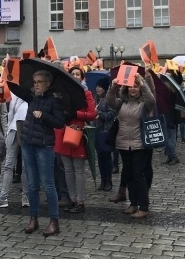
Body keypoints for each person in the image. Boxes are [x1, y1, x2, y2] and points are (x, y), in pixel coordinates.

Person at [13, 69, 65, 236]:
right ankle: (33, 218)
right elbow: (16, 89)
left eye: (39, 82)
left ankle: (53, 221)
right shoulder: (32, 97)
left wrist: (43, 115)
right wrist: (8, 74)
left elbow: (59, 123)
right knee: (32, 184)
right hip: (28, 143)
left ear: (47, 84)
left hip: (44, 146)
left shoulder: (54, 100)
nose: (35, 85)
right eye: (34, 82)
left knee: (48, 184)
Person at [105, 69, 156, 219]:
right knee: (130, 175)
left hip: (139, 144)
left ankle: (144, 206)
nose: (133, 89)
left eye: (136, 86)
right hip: (123, 143)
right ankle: (133, 203)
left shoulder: (145, 104)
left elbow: (151, 99)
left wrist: (143, 82)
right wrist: (113, 87)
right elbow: (110, 102)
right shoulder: (123, 102)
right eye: (131, 86)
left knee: (138, 174)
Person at [54, 66, 96, 214]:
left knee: (79, 170)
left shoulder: (86, 93)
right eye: (73, 74)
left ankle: (80, 201)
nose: (75, 76)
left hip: (77, 133)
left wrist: (76, 113)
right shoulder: (61, 94)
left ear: (82, 77)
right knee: (67, 170)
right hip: (63, 133)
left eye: (78, 74)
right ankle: (72, 199)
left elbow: (92, 114)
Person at [0, 87, 29, 207]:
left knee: (25, 166)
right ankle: (3, 197)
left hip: (27, 129)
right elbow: (10, 111)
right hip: (13, 128)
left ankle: (26, 197)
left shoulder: (31, 91)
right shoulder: (14, 90)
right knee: (8, 165)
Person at [94, 76, 116, 192]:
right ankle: (102, 180)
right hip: (97, 131)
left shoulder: (109, 99)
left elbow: (111, 115)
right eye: (97, 86)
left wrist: (99, 113)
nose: (97, 89)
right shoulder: (95, 99)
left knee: (107, 157)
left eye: (100, 87)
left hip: (106, 131)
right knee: (100, 157)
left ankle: (108, 180)